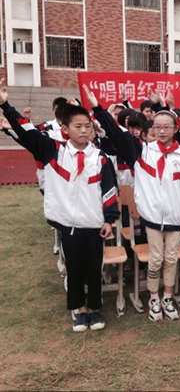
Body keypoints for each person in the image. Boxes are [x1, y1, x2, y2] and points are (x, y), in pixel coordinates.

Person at [0, 79, 119, 332]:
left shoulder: (100, 159)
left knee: (94, 270)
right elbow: (27, 131)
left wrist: (109, 219)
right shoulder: (53, 150)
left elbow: (109, 191)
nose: (84, 131)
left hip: (94, 224)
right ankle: (79, 310)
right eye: (78, 126)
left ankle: (95, 309)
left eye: (88, 126)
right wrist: (5, 105)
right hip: (68, 224)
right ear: (65, 129)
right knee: (74, 269)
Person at [85, 85, 180, 322]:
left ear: (175, 129)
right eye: (157, 127)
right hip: (153, 217)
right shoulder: (142, 152)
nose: (162, 131)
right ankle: (154, 298)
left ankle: (168, 297)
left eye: (167, 127)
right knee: (156, 259)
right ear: (151, 129)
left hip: (176, 218)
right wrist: (98, 109)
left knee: (171, 259)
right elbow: (117, 134)